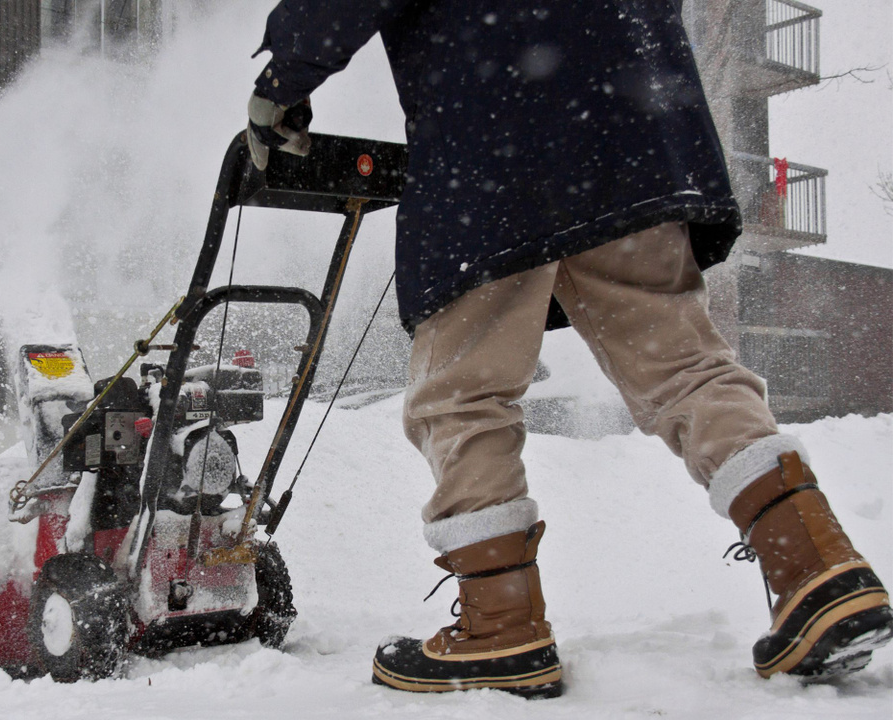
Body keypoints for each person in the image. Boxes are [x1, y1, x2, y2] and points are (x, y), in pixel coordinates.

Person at [243, 0, 892, 699]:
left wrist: (281, 83)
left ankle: (501, 623)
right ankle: (816, 564)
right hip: (637, 127)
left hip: (497, 140)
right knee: (683, 365)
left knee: (462, 391)